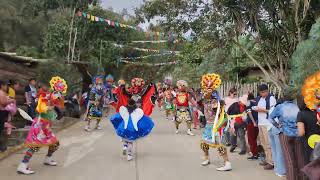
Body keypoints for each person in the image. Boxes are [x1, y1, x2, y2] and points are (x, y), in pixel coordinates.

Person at [17, 76, 67, 175]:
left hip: (46, 127)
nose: (46, 88)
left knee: (55, 144)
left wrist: (58, 99)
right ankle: (22, 166)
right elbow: (41, 108)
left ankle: (47, 159)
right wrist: (50, 105)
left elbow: (60, 104)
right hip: (40, 125)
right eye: (45, 87)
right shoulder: (42, 96)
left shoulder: (51, 96)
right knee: (34, 146)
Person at [111, 77, 156, 161]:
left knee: (124, 133)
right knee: (131, 136)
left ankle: (125, 146)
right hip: (135, 115)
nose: (137, 84)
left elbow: (125, 92)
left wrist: (122, 87)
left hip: (129, 115)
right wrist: (150, 86)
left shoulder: (132, 93)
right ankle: (129, 154)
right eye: (137, 83)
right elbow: (146, 91)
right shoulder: (135, 93)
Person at [270, 88, 306, 179]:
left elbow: (270, 118)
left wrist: (278, 126)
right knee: (300, 158)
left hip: (285, 134)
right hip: (297, 134)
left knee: (289, 159)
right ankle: (302, 177)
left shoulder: (280, 107)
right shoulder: (296, 106)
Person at [200, 73, 232, 171]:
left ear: (213, 90)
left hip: (216, 125)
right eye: (206, 89)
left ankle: (227, 163)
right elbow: (200, 100)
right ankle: (206, 158)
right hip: (208, 124)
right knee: (204, 143)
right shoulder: (205, 99)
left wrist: (219, 105)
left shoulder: (216, 101)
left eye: (209, 89)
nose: (206, 91)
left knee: (219, 144)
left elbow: (219, 112)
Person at [253, 84, 276, 170]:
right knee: (263, 143)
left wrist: (262, 110)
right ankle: (267, 159)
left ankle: (271, 162)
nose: (263, 94)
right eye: (261, 92)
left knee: (268, 143)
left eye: (264, 92)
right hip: (261, 123)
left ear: (267, 90)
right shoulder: (260, 98)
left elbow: (272, 111)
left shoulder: (271, 98)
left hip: (267, 123)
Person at [0, 81, 15, 152]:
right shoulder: (1, 93)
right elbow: (3, 103)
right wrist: (11, 101)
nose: (6, 87)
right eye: (5, 86)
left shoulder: (3, 93)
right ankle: (1, 147)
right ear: (2, 86)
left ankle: (2, 146)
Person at [246, 93, 260, 160]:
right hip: (258, 122)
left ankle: (254, 154)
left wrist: (253, 122)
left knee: (251, 139)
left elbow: (249, 112)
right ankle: (256, 152)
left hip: (251, 123)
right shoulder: (258, 102)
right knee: (255, 138)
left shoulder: (248, 103)